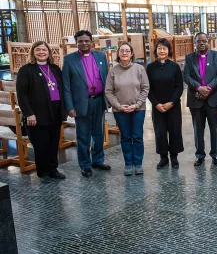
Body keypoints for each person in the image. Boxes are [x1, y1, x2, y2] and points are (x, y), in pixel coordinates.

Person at [17, 41, 67, 183]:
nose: (41, 52)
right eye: (38, 50)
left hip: (55, 111)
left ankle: (53, 169)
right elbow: (21, 95)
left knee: (53, 141)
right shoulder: (26, 70)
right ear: (33, 52)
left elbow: (61, 89)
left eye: (44, 50)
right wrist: (29, 113)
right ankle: (43, 172)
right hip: (37, 113)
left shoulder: (55, 68)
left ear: (49, 52)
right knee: (40, 144)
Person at [62, 30, 110, 178]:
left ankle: (97, 160)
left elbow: (106, 78)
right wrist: (69, 106)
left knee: (99, 133)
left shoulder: (101, 56)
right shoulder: (69, 59)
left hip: (99, 101)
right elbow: (66, 85)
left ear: (92, 42)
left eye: (86, 41)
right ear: (76, 43)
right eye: (80, 41)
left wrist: (109, 99)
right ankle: (85, 164)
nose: (84, 43)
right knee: (83, 135)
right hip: (81, 104)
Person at [105, 42, 150, 176]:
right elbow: (108, 91)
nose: (124, 53)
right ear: (118, 54)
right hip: (120, 111)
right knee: (125, 137)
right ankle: (128, 164)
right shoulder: (113, 71)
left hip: (138, 109)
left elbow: (145, 88)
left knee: (137, 137)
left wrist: (136, 105)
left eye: (127, 51)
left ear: (131, 54)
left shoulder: (139, 69)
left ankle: (138, 163)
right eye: (122, 51)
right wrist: (118, 106)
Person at [183, 32, 217, 166]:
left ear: (208, 42)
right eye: (198, 41)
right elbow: (186, 75)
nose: (201, 43)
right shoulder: (189, 57)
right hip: (196, 99)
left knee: (215, 128)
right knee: (198, 129)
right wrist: (198, 88)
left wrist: (207, 88)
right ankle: (200, 155)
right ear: (195, 43)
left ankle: (215, 154)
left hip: (213, 98)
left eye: (204, 41)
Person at [146, 38, 184, 169]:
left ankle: (174, 157)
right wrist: (156, 104)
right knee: (160, 132)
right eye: (159, 48)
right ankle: (163, 158)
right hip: (157, 106)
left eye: (164, 48)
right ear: (156, 51)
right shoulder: (150, 67)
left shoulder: (175, 67)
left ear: (169, 51)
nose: (162, 51)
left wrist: (171, 102)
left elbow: (179, 87)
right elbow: (147, 88)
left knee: (174, 130)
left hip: (173, 106)